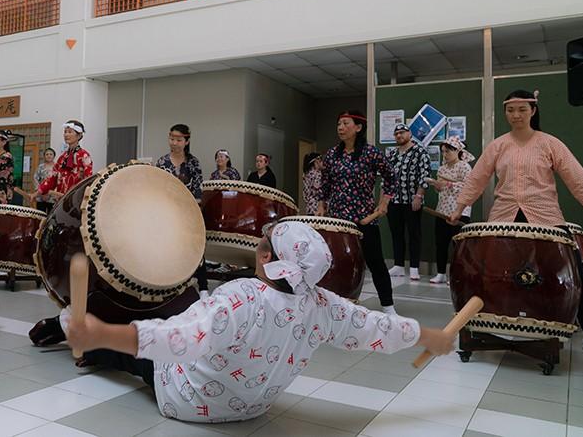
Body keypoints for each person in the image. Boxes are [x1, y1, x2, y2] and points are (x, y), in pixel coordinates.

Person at [64, 221, 454, 423]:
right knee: (183, 319)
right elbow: (377, 327)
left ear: (267, 257)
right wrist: (431, 336)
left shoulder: (240, 296)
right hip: (252, 407)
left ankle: (87, 348)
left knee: (142, 352)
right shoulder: (321, 304)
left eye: (262, 243)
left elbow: (179, 338)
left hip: (189, 401)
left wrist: (101, 333)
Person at [451, 89, 583, 353]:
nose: (516, 115)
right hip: (504, 215)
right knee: (490, 271)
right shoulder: (498, 145)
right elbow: (477, 177)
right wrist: (459, 207)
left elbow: (575, 175)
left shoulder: (549, 143)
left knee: (574, 270)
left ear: (533, 111)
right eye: (510, 110)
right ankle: (489, 320)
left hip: (545, 215)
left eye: (522, 110)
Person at [317, 110, 398, 314]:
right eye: (339, 124)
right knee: (336, 262)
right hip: (337, 220)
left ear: (358, 127)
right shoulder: (332, 154)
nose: (341, 128)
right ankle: (335, 305)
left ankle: (388, 307)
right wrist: (321, 205)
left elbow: (391, 176)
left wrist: (384, 202)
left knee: (375, 262)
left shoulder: (370, 153)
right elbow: (325, 183)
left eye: (346, 123)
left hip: (364, 217)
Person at [155, 124, 208, 293]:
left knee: (194, 247)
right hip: (167, 211)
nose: (174, 143)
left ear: (187, 141)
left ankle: (203, 287)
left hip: (188, 211)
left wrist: (195, 210)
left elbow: (198, 188)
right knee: (167, 246)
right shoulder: (162, 162)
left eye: (178, 140)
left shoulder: (193, 163)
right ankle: (167, 284)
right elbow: (157, 186)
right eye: (171, 139)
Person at [385, 123, 431, 281]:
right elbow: (386, 178)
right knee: (396, 233)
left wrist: (419, 196)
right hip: (394, 200)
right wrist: (384, 200)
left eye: (402, 132)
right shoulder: (392, 154)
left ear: (410, 134)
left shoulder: (420, 151)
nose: (399, 135)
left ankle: (414, 267)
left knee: (414, 234)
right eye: (396, 133)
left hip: (412, 200)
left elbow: (425, 175)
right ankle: (398, 265)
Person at [427, 136, 473, 284]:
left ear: (457, 151)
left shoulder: (465, 166)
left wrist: (449, 184)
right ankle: (441, 273)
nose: (445, 155)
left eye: (447, 151)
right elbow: (440, 190)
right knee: (441, 243)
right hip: (442, 210)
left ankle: (457, 274)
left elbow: (469, 187)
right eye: (443, 151)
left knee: (458, 246)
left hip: (460, 211)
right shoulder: (442, 168)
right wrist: (437, 185)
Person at [30, 120, 93, 202]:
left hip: (76, 201)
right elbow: (51, 179)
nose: (66, 134)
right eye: (65, 132)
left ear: (79, 135)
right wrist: (36, 193)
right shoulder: (62, 158)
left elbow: (88, 180)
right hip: (61, 201)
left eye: (70, 132)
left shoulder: (84, 156)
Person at [33, 147, 57, 213]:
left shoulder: (57, 167)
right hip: (41, 196)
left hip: (52, 197)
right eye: (47, 154)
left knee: (51, 215)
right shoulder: (40, 167)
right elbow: (35, 179)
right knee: (40, 215)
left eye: (51, 154)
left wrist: (51, 193)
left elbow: (59, 182)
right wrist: (41, 193)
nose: (49, 156)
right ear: (44, 156)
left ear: (54, 156)